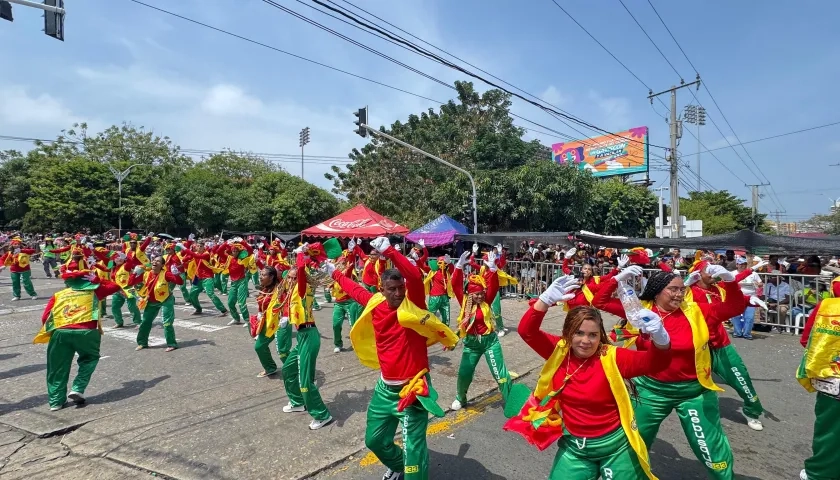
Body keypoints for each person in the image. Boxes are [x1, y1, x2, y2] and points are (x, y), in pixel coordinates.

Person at [506, 275, 672, 479]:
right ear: (568, 334)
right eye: (579, 333)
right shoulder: (559, 350)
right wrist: (544, 301)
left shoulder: (612, 357)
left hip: (616, 449)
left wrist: (661, 337)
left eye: (593, 335)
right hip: (575, 449)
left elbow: (657, 363)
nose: (585, 341)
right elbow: (527, 332)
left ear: (599, 335)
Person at [327, 236, 459, 480]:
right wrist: (333, 272)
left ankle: (409, 471)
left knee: (414, 453)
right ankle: (397, 465)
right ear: (382, 290)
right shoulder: (375, 304)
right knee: (374, 441)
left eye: (401, 288)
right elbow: (355, 290)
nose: (398, 293)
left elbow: (415, 276)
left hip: (413, 390)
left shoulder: (413, 305)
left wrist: (390, 251)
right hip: (384, 389)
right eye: (392, 289)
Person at [593, 268, 744, 479]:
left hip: (693, 392)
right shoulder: (638, 312)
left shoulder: (697, 311)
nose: (679, 294)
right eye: (673, 289)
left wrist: (730, 280)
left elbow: (735, 306)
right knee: (632, 443)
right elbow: (599, 302)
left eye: (682, 289)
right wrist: (617, 277)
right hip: (650, 390)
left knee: (710, 448)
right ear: (656, 292)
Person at [684, 259, 767, 431]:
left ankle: (752, 411)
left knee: (741, 376)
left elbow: (733, 301)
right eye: (709, 270)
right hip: (696, 346)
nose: (713, 272)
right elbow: (674, 303)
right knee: (692, 386)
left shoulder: (718, 289)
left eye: (715, 269)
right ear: (698, 274)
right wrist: (685, 285)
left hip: (721, 343)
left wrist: (749, 300)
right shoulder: (688, 292)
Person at [34, 266, 121, 410]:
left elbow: (45, 317)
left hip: (61, 332)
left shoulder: (59, 295)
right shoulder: (94, 291)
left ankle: (56, 402)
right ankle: (78, 387)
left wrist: (55, 333)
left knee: (57, 367)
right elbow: (115, 286)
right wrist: (98, 280)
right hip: (87, 332)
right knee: (90, 359)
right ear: (87, 281)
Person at [448, 249, 512, 411]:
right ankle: (460, 398)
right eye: (477, 294)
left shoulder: (487, 300)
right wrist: (458, 267)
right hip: (471, 344)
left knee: (500, 374)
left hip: (490, 342)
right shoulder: (464, 302)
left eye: (482, 293)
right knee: (464, 374)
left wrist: (492, 269)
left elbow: (494, 286)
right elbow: (455, 284)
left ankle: (511, 400)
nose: (481, 296)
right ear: (469, 294)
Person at [279, 244, 333, 431]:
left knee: (305, 382)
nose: (292, 280)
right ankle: (297, 402)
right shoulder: (293, 291)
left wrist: (301, 255)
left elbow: (301, 272)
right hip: (302, 337)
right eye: (290, 278)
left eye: (294, 278)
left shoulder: (302, 289)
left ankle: (322, 414)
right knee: (287, 369)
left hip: (309, 336)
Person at [796, 280, 840, 480]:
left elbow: (807, 339)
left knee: (830, 433)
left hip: (832, 379)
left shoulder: (827, 307)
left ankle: (818, 474)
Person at [131, 255, 184, 352]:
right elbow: (130, 283)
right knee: (145, 322)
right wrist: (134, 273)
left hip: (166, 300)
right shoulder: (146, 273)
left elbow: (180, 282)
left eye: (158, 261)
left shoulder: (166, 274)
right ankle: (142, 343)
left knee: (167, 323)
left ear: (162, 265)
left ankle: (172, 344)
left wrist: (176, 274)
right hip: (151, 301)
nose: (155, 262)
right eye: (154, 260)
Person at [180, 241, 229, 317]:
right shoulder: (195, 254)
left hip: (207, 277)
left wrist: (185, 248)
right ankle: (198, 309)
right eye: (198, 246)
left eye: (201, 246)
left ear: (204, 248)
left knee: (210, 294)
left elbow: (197, 256)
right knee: (192, 294)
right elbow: (186, 258)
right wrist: (182, 261)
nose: (199, 247)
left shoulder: (206, 254)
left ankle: (223, 310)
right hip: (197, 277)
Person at [252, 266, 283, 377]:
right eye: (260, 274)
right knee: (259, 346)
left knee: (283, 351)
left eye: (264, 275)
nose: (260, 277)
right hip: (266, 322)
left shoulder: (279, 289)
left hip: (278, 323)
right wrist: (259, 316)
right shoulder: (264, 289)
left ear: (271, 277)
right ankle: (270, 367)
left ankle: (298, 370)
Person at [330, 242, 359, 353]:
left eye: (343, 260)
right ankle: (338, 343)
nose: (341, 262)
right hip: (338, 303)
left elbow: (351, 263)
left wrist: (351, 252)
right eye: (339, 260)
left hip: (350, 302)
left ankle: (356, 343)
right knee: (336, 324)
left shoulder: (348, 271)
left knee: (353, 325)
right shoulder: (333, 272)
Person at [219, 238, 253, 327]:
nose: (234, 252)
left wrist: (242, 241)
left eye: (236, 251)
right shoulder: (229, 258)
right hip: (233, 283)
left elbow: (250, 250)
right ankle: (236, 318)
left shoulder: (242, 258)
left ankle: (247, 320)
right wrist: (226, 242)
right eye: (233, 251)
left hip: (242, 281)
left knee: (241, 302)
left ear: (239, 252)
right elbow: (219, 251)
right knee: (230, 302)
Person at [730, 257, 765, 339]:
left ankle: (747, 333)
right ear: (737, 265)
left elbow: (760, 284)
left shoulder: (754, 274)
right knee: (736, 316)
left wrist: (757, 284)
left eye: (744, 264)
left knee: (749, 317)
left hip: (751, 297)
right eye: (741, 264)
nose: (743, 266)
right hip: (737, 298)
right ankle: (737, 332)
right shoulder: (732, 274)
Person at [108, 252, 142, 328]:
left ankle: (138, 322)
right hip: (118, 290)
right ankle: (119, 322)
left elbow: (129, 262)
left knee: (132, 307)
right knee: (115, 307)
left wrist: (126, 258)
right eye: (116, 257)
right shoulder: (113, 268)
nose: (119, 259)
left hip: (129, 289)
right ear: (113, 259)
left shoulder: (126, 266)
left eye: (121, 257)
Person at [424, 250, 454, 327]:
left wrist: (450, 263)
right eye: (440, 262)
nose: (442, 264)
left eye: (444, 262)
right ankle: (429, 331)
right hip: (435, 296)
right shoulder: (433, 272)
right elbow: (422, 266)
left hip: (445, 297)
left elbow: (452, 269)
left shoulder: (447, 272)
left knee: (446, 317)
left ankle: (445, 333)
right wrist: (417, 259)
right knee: (431, 315)